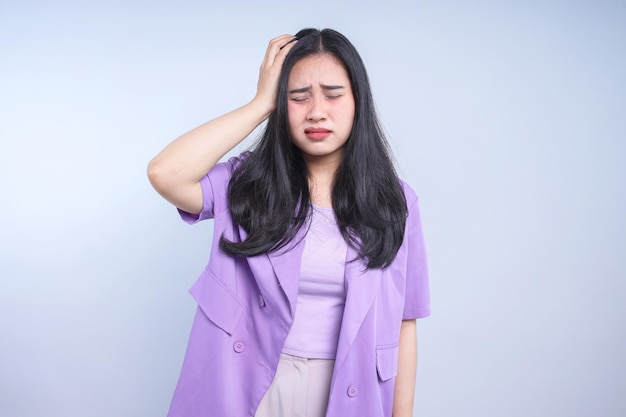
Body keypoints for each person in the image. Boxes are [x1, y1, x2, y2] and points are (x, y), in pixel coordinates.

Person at [147, 28, 430, 417]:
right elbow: (166, 173)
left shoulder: (396, 203)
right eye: (298, 96)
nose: (317, 111)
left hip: (348, 389)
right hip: (247, 384)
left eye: (333, 94)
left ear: (358, 101)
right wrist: (261, 102)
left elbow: (405, 323)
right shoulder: (244, 185)